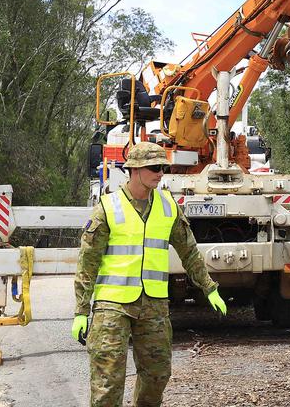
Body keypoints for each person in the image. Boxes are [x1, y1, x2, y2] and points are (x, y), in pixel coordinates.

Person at [72, 141, 227, 407]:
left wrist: (209, 287)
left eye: (163, 167)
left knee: (157, 376)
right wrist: (81, 311)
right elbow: (87, 263)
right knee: (108, 380)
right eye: (154, 167)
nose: (160, 173)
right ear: (134, 170)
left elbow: (189, 252)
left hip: (154, 305)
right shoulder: (109, 207)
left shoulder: (168, 206)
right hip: (113, 306)